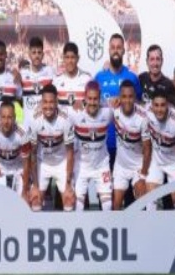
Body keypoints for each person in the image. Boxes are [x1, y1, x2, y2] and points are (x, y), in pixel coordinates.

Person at [94, 34, 142, 168]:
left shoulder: (132, 77)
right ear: (109, 50)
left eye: (119, 47)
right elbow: (91, 104)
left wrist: (124, 101)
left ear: (123, 51)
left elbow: (140, 105)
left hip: (127, 145)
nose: (116, 50)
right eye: (113, 47)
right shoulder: (99, 77)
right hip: (103, 143)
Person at [29, 84, 76, 211]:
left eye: (51, 102)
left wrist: (68, 184)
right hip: (42, 163)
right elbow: (32, 153)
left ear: (56, 102)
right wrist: (35, 185)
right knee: (35, 201)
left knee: (69, 200)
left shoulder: (65, 119)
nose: (48, 106)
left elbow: (70, 152)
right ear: (41, 102)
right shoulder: (34, 120)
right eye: (45, 102)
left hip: (61, 163)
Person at [70, 81, 114, 211]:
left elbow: (127, 104)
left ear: (100, 98)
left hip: (101, 165)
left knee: (107, 206)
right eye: (89, 98)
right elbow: (56, 109)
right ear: (84, 98)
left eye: (95, 99)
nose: (93, 102)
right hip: (81, 166)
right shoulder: (75, 114)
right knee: (77, 207)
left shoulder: (108, 113)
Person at [144, 89, 175, 210]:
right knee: (150, 201)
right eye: (156, 105)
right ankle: (152, 228)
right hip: (156, 161)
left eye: (163, 105)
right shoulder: (146, 111)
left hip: (174, 162)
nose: (159, 109)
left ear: (168, 105)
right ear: (151, 105)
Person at [111, 80, 151, 211]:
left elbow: (147, 149)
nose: (127, 100)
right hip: (121, 166)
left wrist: (142, 177)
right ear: (119, 97)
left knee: (141, 204)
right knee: (115, 206)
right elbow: (95, 104)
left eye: (130, 97)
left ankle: (141, 230)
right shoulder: (114, 110)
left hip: (137, 167)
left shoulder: (142, 118)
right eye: (124, 96)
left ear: (134, 97)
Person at [0, 99, 31, 199]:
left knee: (23, 202)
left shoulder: (23, 134)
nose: (6, 121)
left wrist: (25, 189)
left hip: (18, 169)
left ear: (15, 118)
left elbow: (27, 163)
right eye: (3, 117)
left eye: (9, 117)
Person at [19, 37, 55, 127]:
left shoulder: (50, 72)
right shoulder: (22, 74)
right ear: (29, 54)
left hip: (45, 126)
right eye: (34, 52)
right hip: (27, 125)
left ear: (43, 54)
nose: (36, 56)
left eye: (39, 52)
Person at [54, 42, 91, 112]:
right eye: (67, 57)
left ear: (78, 58)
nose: (70, 61)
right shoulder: (56, 80)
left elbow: (94, 101)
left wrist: (83, 103)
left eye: (72, 57)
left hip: (80, 122)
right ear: (63, 58)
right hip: (63, 122)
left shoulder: (87, 79)